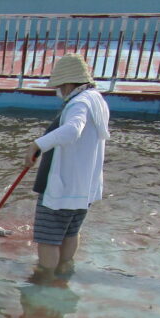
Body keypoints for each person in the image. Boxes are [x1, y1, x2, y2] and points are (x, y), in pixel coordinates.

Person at [24, 53, 110, 282]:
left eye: (60, 87)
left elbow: (73, 130)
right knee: (71, 232)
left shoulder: (79, 103)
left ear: (68, 83)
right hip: (85, 186)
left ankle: (44, 280)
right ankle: (63, 273)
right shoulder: (97, 99)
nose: (59, 91)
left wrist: (37, 144)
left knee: (48, 238)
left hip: (63, 186)